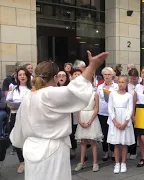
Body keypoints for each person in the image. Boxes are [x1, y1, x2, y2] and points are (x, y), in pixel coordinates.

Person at [9, 51, 108, 180]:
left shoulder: (28, 96)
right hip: (52, 150)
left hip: (31, 148)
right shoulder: (49, 94)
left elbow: (19, 127)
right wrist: (92, 66)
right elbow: (76, 90)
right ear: (55, 77)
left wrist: (21, 141)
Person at [74, 76, 103, 172]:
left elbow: (96, 108)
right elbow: (78, 107)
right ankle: (81, 162)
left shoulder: (95, 94)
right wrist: (79, 120)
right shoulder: (80, 95)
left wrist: (90, 121)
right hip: (82, 116)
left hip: (91, 117)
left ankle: (95, 163)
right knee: (83, 142)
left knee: (93, 141)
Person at [7, 67, 32, 174]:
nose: (22, 76)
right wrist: (18, 105)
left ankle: (29, 160)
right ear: (17, 77)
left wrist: (18, 105)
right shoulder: (13, 88)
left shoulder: (32, 89)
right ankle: (21, 161)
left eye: (24, 74)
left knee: (27, 139)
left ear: (27, 76)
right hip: (15, 116)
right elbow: (8, 103)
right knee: (15, 139)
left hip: (27, 117)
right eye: (20, 74)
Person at [107, 75, 135, 174]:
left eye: (123, 82)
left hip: (124, 120)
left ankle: (123, 162)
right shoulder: (112, 94)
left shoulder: (129, 96)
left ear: (126, 83)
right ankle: (117, 163)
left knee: (124, 143)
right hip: (115, 120)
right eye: (119, 82)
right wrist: (114, 121)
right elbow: (110, 108)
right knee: (116, 143)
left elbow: (130, 109)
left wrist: (125, 122)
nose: (121, 84)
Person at [96, 67, 119, 161]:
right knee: (104, 133)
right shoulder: (99, 87)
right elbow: (96, 100)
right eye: (105, 74)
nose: (107, 76)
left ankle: (113, 151)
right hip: (102, 113)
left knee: (112, 133)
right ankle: (105, 152)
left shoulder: (116, 86)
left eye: (109, 74)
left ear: (112, 75)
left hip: (112, 114)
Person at [69, 69, 83, 159]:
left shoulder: (85, 86)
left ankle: (83, 154)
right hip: (72, 112)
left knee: (83, 134)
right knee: (72, 132)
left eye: (79, 74)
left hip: (83, 111)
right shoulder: (69, 86)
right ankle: (73, 149)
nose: (77, 75)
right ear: (72, 76)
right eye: (75, 74)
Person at [127, 68, 140, 159]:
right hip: (129, 108)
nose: (132, 80)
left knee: (136, 131)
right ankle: (129, 150)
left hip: (138, 108)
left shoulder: (141, 83)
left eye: (134, 78)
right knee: (128, 131)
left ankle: (134, 151)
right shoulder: (128, 85)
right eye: (131, 78)